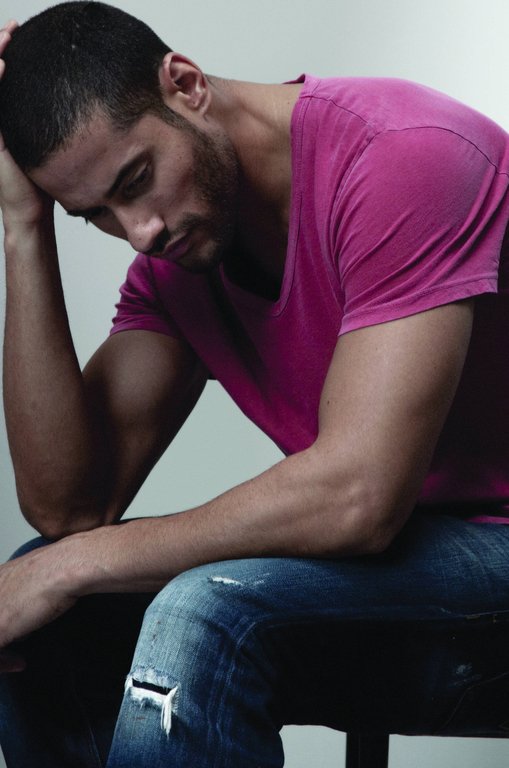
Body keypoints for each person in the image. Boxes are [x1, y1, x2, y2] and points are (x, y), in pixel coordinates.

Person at [1, 2, 509, 766]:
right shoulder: (177, 261)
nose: (139, 231)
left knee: (194, 608)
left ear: (185, 84)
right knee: (45, 613)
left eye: (136, 179)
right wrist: (24, 227)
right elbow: (70, 508)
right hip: (398, 573)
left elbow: (357, 497)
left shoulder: (402, 154)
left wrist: (73, 566)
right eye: (95, 214)